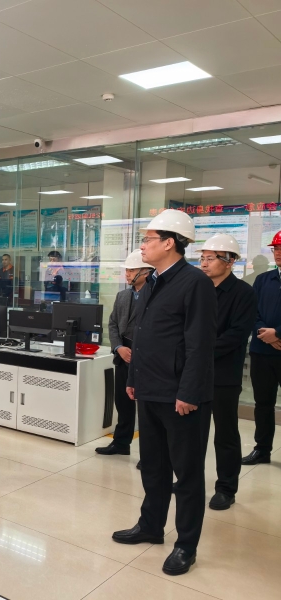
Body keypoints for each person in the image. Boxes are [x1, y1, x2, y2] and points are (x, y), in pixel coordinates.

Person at [112, 209, 216, 577]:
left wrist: (188, 392)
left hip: (181, 397)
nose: (142, 245)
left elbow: (200, 344)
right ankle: (151, 525)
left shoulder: (194, 283)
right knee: (153, 466)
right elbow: (142, 337)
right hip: (150, 389)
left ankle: (186, 545)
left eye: (149, 239)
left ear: (170, 243)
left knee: (186, 474)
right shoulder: (153, 281)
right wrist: (133, 378)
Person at [199, 234, 256, 510]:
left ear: (230, 261)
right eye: (202, 258)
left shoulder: (243, 293)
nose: (204, 263)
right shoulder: (198, 288)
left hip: (223, 374)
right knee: (192, 432)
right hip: (194, 372)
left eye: (210, 258)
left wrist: (199, 352)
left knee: (225, 433)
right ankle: (189, 480)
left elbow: (237, 335)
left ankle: (226, 488)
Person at [97, 250, 153, 458]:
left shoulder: (156, 295)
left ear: (146, 272)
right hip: (123, 354)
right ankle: (121, 443)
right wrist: (118, 347)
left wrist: (137, 350)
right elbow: (113, 324)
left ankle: (150, 454)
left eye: (131, 270)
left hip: (146, 356)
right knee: (122, 402)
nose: (127, 274)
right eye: (126, 270)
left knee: (148, 408)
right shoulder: (123, 295)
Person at [242, 230, 281, 466]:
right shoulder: (263, 280)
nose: (278, 253)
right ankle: (262, 450)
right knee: (263, 404)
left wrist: (278, 334)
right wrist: (265, 335)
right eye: (276, 249)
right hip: (262, 352)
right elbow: (251, 312)